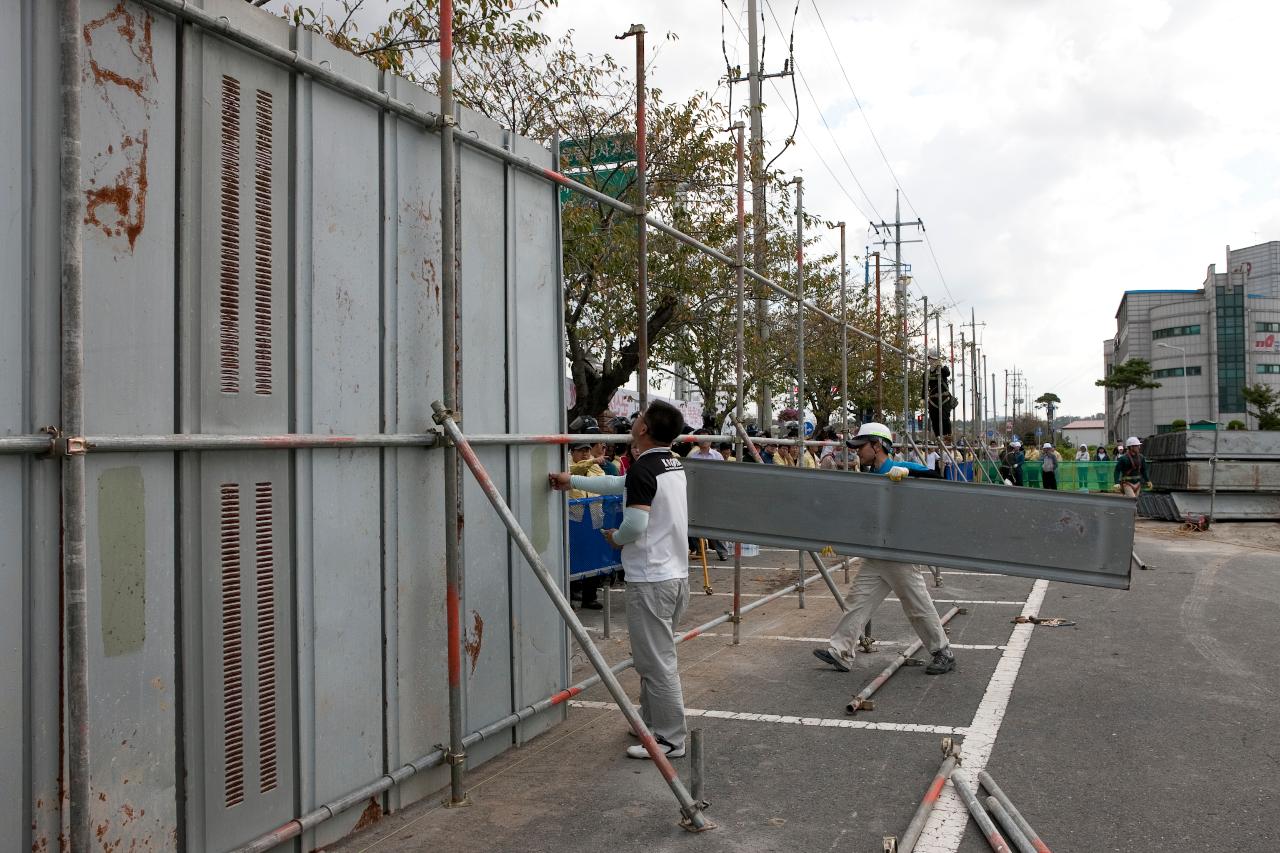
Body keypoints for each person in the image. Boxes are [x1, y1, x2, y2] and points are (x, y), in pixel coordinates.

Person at [550, 400, 691, 759]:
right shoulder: (669, 463)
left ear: (643, 429)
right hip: (673, 575)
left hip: (651, 579)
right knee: (651, 657)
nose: (634, 421)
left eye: (639, 417)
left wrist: (617, 538)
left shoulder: (646, 468)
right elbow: (620, 484)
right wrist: (572, 481)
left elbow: (636, 524)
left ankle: (671, 739)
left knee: (657, 662)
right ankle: (651, 724)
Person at [812, 423, 956, 676]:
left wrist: (909, 476)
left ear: (877, 446)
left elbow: (940, 480)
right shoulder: (871, 476)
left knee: (917, 605)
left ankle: (943, 651)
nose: (857, 452)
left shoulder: (902, 468)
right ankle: (841, 652)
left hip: (900, 553)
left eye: (861, 446)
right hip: (876, 553)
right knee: (857, 602)